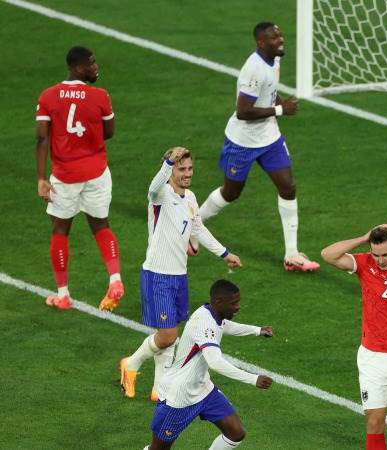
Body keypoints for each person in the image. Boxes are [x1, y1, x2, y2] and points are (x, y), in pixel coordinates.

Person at [121, 147, 242, 402]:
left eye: (189, 169)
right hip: (157, 274)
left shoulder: (190, 198)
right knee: (168, 335)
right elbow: (153, 188)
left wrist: (224, 253)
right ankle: (130, 364)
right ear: (171, 171)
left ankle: (159, 389)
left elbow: (199, 229)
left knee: (170, 334)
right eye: (181, 169)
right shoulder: (161, 195)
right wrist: (167, 162)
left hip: (179, 276)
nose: (187, 174)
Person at [199, 21, 319, 272]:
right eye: (274, 38)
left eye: (280, 35)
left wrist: (280, 102)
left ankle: (292, 254)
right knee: (231, 193)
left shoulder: (274, 59)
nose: (280, 40)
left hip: (269, 138)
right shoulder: (253, 70)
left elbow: (270, 91)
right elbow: (243, 111)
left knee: (288, 187)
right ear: (261, 43)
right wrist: (280, 110)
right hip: (242, 142)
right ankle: (192, 223)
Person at [321, 224, 387, 450]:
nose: (380, 260)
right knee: (374, 419)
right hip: (372, 354)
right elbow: (327, 255)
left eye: (385, 255)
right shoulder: (363, 263)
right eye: (376, 254)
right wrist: (363, 238)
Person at [35, 46, 124, 311]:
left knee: (60, 229)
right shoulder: (100, 96)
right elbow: (109, 132)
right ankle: (115, 278)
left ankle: (63, 294)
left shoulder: (48, 96)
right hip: (97, 172)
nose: (96, 67)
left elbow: (42, 138)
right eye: (91, 64)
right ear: (77, 67)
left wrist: (41, 177)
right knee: (101, 226)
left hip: (65, 175)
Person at [144, 279, 274, 450]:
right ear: (219, 302)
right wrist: (253, 379)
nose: (238, 307)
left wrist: (257, 330)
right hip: (178, 396)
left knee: (236, 432)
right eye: (234, 303)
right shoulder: (204, 326)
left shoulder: (211, 314)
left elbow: (224, 326)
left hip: (202, 388)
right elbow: (215, 362)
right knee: (158, 449)